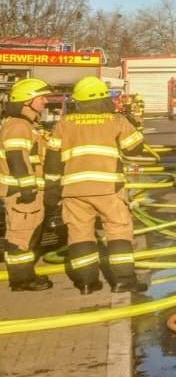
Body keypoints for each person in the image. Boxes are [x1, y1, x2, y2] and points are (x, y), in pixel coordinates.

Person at [48, 76, 145, 294]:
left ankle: (86, 283)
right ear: (102, 98)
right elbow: (135, 149)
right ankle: (124, 281)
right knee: (118, 231)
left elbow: (52, 159)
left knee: (80, 234)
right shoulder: (116, 121)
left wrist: (52, 190)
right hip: (108, 189)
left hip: (73, 190)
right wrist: (132, 124)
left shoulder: (64, 123)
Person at [2, 78, 55, 291]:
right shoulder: (18, 125)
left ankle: (25, 275)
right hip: (22, 193)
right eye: (40, 98)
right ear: (26, 101)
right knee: (20, 236)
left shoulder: (28, 125)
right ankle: (22, 280)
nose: (45, 102)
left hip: (29, 191)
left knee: (28, 234)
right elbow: (16, 157)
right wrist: (27, 187)